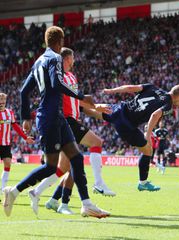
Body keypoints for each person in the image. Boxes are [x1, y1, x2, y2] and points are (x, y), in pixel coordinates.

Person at [2, 26, 110, 218]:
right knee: (52, 166)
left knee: (76, 158)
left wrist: (25, 117)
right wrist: (81, 96)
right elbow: (56, 84)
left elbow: (23, 92)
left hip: (55, 116)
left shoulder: (38, 62)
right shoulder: (56, 58)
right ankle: (15, 191)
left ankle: (86, 204)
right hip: (50, 117)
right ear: (60, 42)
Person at [28, 47, 115, 215]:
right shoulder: (60, 77)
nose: (74, 61)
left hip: (72, 120)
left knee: (67, 167)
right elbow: (68, 99)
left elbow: (79, 104)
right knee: (94, 144)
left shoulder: (71, 76)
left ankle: (45, 196)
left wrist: (99, 112)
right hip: (66, 120)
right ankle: (96, 185)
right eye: (73, 57)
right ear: (67, 58)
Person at [97, 84, 179, 191]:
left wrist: (110, 90)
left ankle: (76, 106)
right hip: (127, 125)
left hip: (120, 109)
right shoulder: (168, 106)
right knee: (148, 151)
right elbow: (155, 115)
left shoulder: (153, 87)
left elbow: (130, 88)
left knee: (92, 108)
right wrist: (148, 134)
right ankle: (143, 183)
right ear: (177, 96)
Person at [0, 93, 35, 192]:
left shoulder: (9, 113)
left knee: (7, 163)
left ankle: (2, 188)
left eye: (3, 100)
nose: (2, 102)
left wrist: (25, 137)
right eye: (0, 100)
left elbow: (15, 126)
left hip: (6, 144)